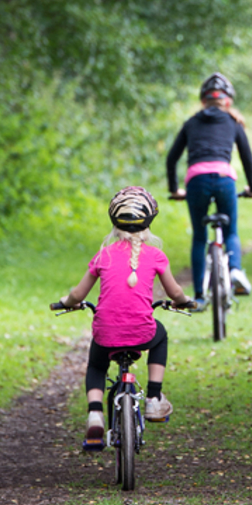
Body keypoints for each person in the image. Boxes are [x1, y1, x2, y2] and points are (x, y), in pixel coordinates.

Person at [51, 186, 197, 450]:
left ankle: (95, 413)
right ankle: (153, 397)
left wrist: (66, 303)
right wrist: (183, 301)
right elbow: (174, 291)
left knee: (97, 365)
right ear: (148, 223)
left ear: (114, 223)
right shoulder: (155, 255)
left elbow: (78, 293)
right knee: (160, 336)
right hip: (143, 332)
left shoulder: (103, 255)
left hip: (106, 332)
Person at [166, 72, 252, 308]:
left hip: (196, 180)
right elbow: (247, 158)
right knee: (230, 231)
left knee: (200, 237)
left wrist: (175, 189)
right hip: (224, 179)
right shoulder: (233, 122)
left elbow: (171, 159)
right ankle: (235, 270)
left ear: (203, 101)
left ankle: (199, 297)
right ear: (227, 101)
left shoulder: (191, 123)